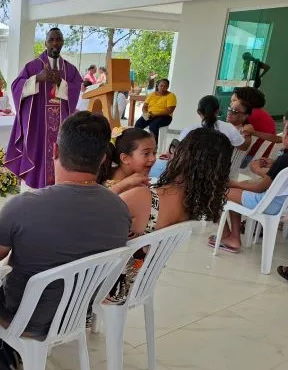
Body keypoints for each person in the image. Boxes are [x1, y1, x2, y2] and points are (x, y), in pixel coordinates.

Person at [0, 112, 130, 337]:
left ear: (54, 150)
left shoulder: (23, 206)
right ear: (103, 158)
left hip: (22, 318)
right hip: (78, 314)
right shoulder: (119, 209)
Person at [109, 128, 233, 306]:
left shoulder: (142, 197)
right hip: (142, 282)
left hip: (110, 285)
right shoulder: (193, 206)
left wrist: (120, 186)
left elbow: (94, 214)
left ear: (183, 157)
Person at [5, 27, 83, 189]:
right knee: (39, 154)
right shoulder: (33, 66)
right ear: (45, 43)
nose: (55, 43)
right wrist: (37, 78)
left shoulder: (69, 69)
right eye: (51, 39)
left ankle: (60, 188)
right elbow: (16, 87)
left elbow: (76, 90)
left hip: (62, 125)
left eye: (58, 39)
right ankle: (38, 188)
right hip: (39, 124)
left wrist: (61, 82)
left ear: (62, 42)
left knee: (62, 154)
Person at [210, 124, 288, 253]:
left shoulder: (283, 160)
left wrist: (235, 182)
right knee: (237, 191)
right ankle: (233, 237)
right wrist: (273, 164)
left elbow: (258, 188)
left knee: (216, 192)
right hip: (278, 204)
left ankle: (227, 236)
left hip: (265, 203)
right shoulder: (282, 161)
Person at [149, 95, 250, 178]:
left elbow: (177, 150)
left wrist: (169, 154)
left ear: (198, 112)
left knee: (152, 166)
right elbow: (244, 146)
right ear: (218, 111)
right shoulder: (229, 128)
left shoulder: (191, 129)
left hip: (189, 174)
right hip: (218, 174)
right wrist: (248, 134)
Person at [97, 127, 156, 194]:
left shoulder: (135, 180)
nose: (153, 158)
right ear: (125, 158)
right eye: (146, 153)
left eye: (154, 153)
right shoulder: (124, 189)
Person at [134, 78, 176, 143]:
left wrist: (155, 114)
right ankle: (137, 142)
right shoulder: (152, 94)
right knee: (138, 123)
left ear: (168, 87)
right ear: (158, 86)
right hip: (150, 115)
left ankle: (154, 145)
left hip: (165, 117)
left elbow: (169, 111)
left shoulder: (171, 96)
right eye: (161, 85)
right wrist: (145, 113)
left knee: (153, 126)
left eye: (165, 86)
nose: (162, 87)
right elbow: (145, 106)